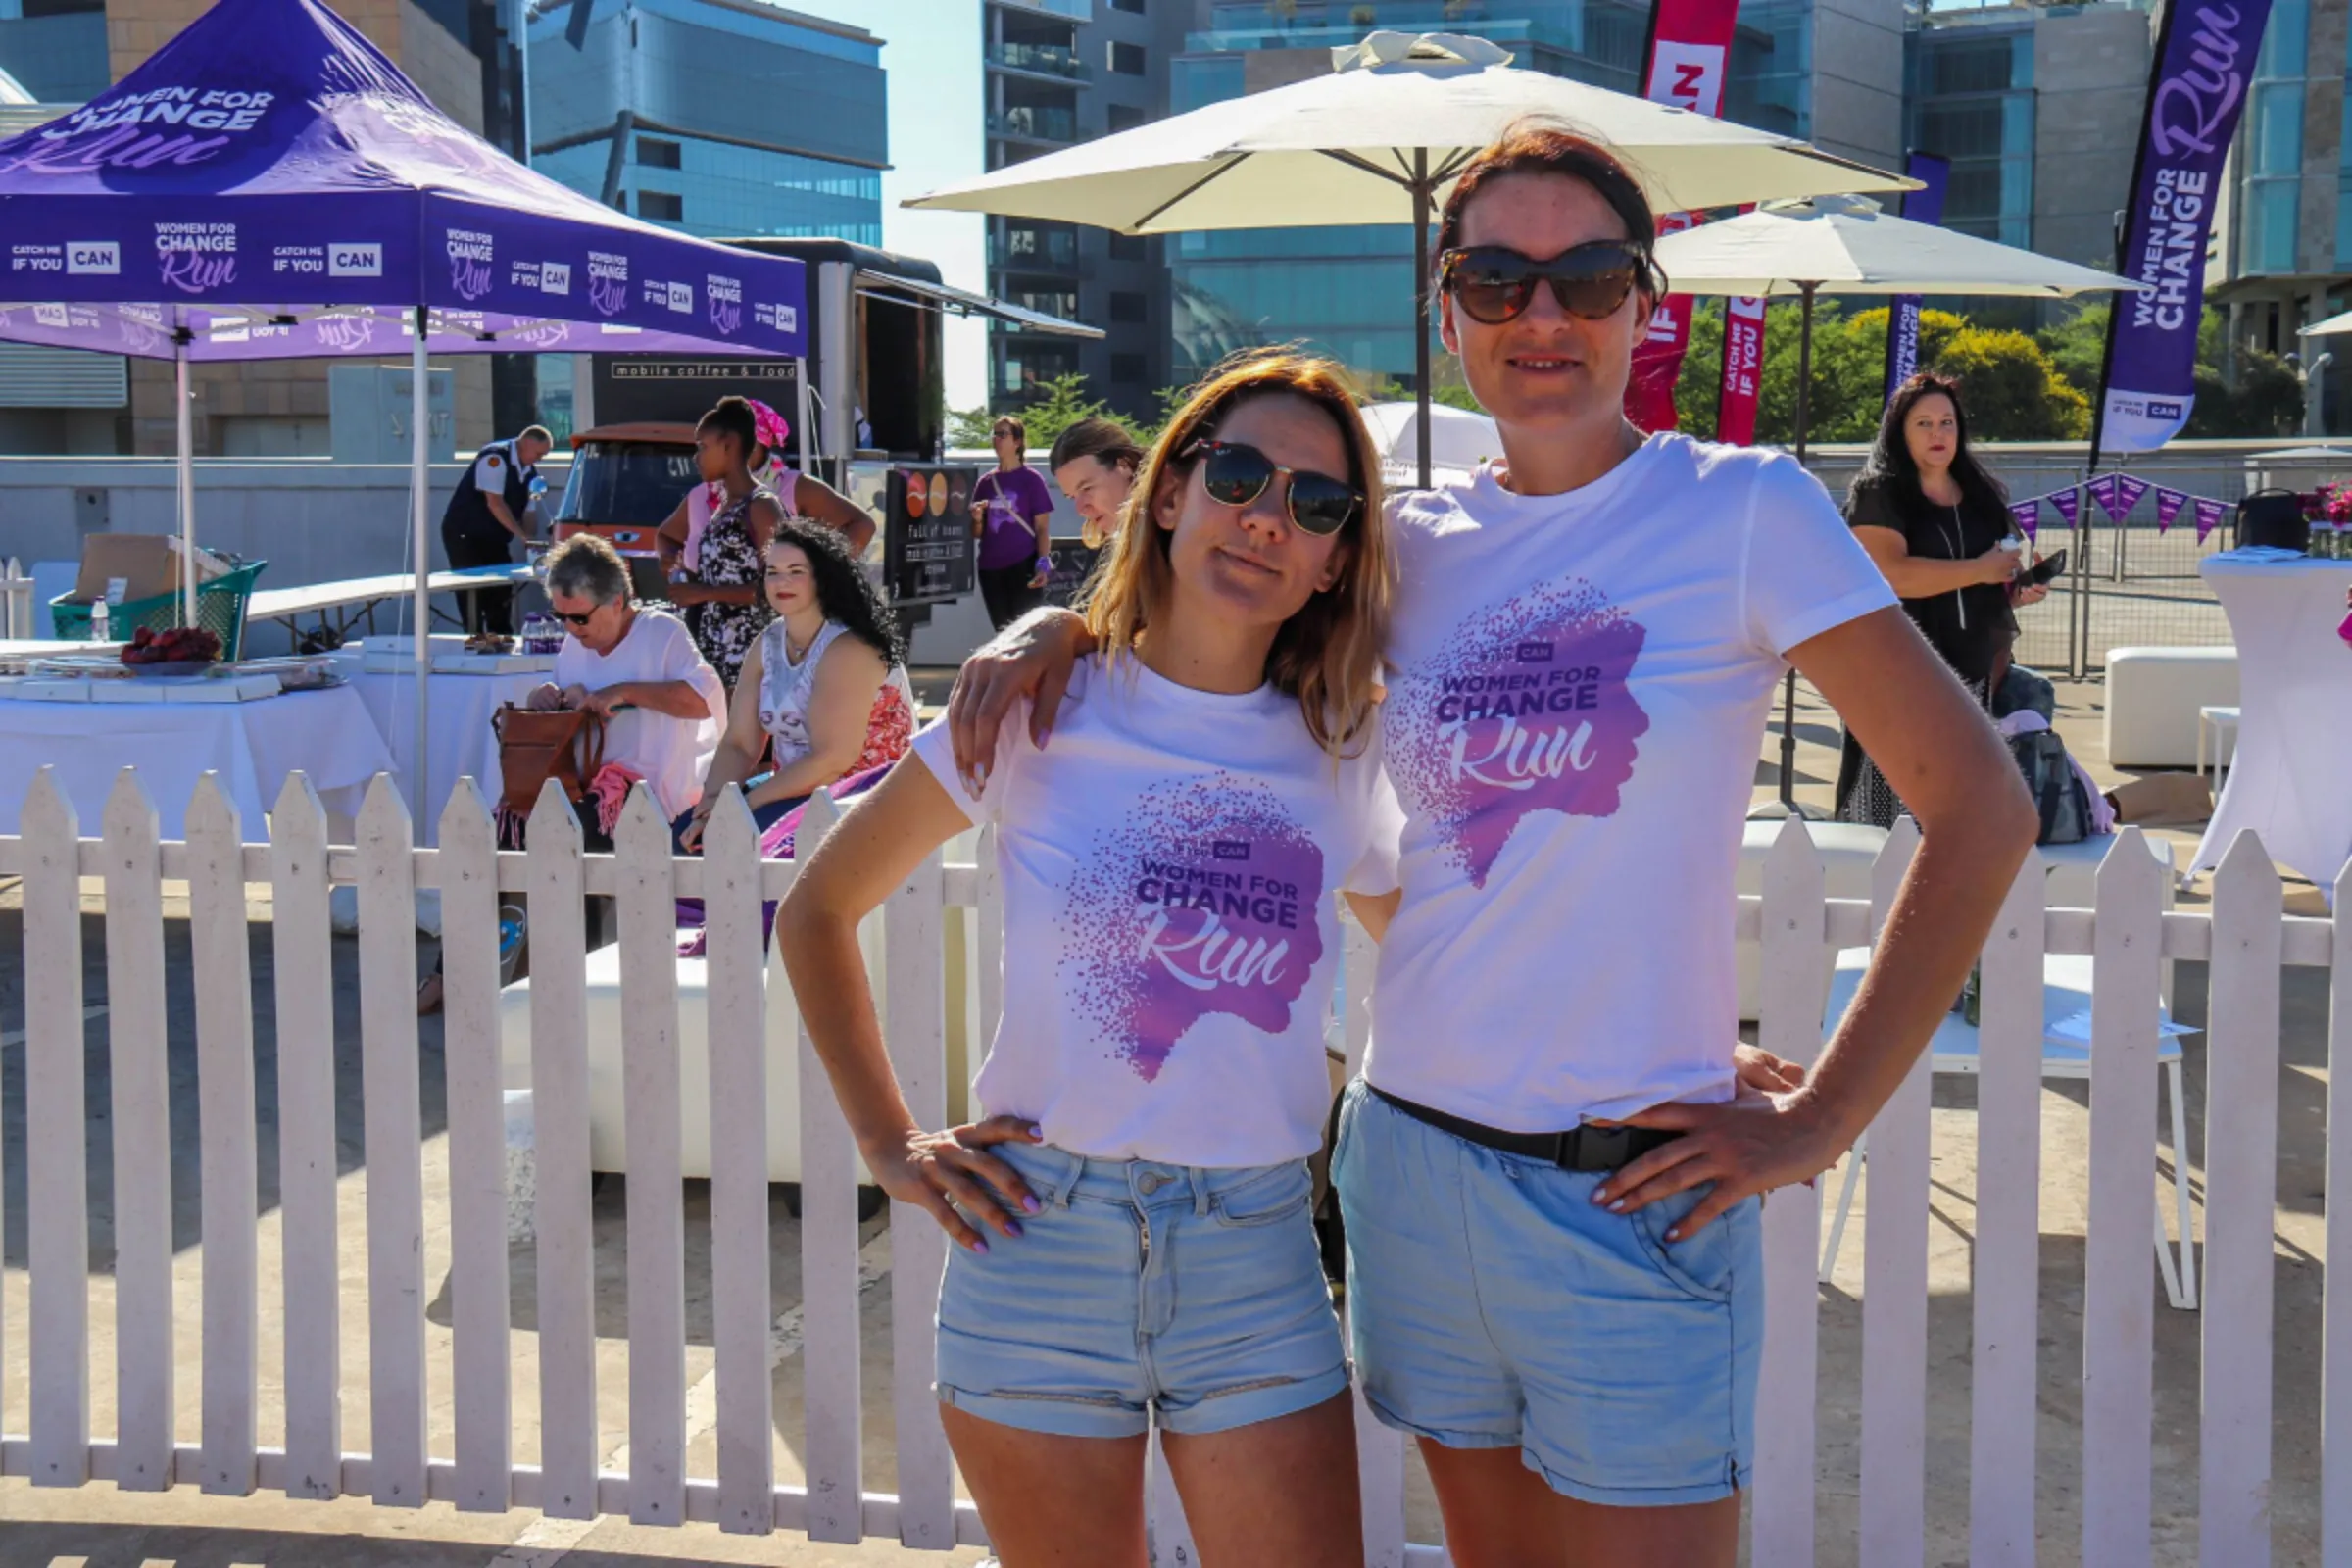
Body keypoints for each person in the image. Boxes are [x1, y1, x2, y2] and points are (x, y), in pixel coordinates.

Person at [942, 123, 2037, 1567]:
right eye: (1496, 278)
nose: (1542, 316)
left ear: (1648, 303)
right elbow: (1223, 638)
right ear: (1444, 307)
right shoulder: (1407, 547)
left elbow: (1983, 808)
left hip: (1632, 1190)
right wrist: (1056, 625)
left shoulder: (1744, 510)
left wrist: (1823, 1114)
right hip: (1415, 1169)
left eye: (1586, 279)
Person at [777, 351, 1398, 1568]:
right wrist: (888, 1144)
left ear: (1336, 557)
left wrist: (1674, 1044)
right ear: (1169, 491)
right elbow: (816, 909)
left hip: (1253, 1250)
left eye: (1316, 505)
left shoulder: (1345, 748)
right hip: (1040, 1241)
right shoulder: (1035, 708)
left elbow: (1448, 950)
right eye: (1239, 475)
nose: (1269, 519)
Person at [418, 532, 724, 1014]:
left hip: (649, 798)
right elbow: (573, 708)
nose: (571, 627)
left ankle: (545, 980)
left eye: (579, 616)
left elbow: (705, 702)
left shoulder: (662, 632)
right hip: (588, 791)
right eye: (561, 617)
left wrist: (623, 691)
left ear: (618, 602)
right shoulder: (575, 646)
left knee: (555, 835)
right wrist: (552, 698)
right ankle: (453, 971)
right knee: (501, 836)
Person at [1838, 371, 2051, 827]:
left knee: (1955, 815)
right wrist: (1980, 569)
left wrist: (2014, 591)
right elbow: (1889, 576)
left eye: (1947, 422)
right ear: (1900, 430)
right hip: (1899, 678)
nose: (1938, 434)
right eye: (1924, 423)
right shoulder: (1879, 493)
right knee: (1889, 813)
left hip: (1968, 677)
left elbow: (1977, 588)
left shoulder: (1978, 496)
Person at [675, 518, 915, 852]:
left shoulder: (850, 648)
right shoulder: (767, 644)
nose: (781, 581)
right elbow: (740, 743)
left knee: (734, 846)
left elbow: (832, 759)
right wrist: (711, 804)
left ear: (822, 579)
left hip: (861, 801)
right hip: (792, 794)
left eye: (796, 571)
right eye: (772, 571)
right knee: (683, 838)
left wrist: (743, 804)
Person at [659, 396, 875, 689]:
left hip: (751, 654)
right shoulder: (720, 503)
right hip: (717, 648)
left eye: (702, 447)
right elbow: (668, 537)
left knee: (746, 733)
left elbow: (774, 589)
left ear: (730, 446)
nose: (696, 457)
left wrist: (702, 592)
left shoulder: (762, 506)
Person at [655, 397, 875, 582]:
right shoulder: (700, 496)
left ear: (764, 446)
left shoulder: (794, 488)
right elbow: (666, 536)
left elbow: (862, 525)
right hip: (706, 624)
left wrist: (821, 577)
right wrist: (671, 559)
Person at [440, 423, 552, 636]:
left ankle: (500, 635)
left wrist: (531, 541)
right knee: (471, 588)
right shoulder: (495, 458)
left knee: (501, 588)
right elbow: (495, 503)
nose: (540, 459)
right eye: (539, 453)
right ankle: (474, 637)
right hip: (465, 534)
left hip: (494, 537)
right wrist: (522, 536)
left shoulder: (530, 474)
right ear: (526, 443)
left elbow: (529, 513)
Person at [969, 414, 1056, 631]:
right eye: (995, 434)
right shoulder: (986, 482)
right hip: (990, 568)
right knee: (1002, 631)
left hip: (1023, 564)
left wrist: (1042, 564)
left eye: (1003, 434)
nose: (996, 439)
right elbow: (977, 533)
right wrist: (977, 520)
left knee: (1025, 631)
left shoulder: (1032, 480)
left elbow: (1042, 527)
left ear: (1017, 441)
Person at [1049, 416, 1143, 551]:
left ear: (1124, 465)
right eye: (1072, 497)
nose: (1081, 509)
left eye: (1086, 488)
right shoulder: (1131, 543)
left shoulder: (1173, 532)